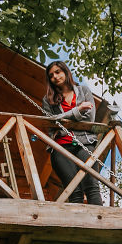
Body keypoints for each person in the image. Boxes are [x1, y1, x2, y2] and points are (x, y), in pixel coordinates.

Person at [41, 60, 103, 205]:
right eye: (51, 75)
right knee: (73, 191)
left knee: (92, 187)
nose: (55, 77)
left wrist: (63, 120)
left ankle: (100, 224)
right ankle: (79, 225)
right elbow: (52, 122)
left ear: (65, 72)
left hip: (86, 143)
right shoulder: (48, 100)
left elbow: (89, 118)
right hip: (60, 148)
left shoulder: (83, 91)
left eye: (57, 72)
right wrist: (78, 110)